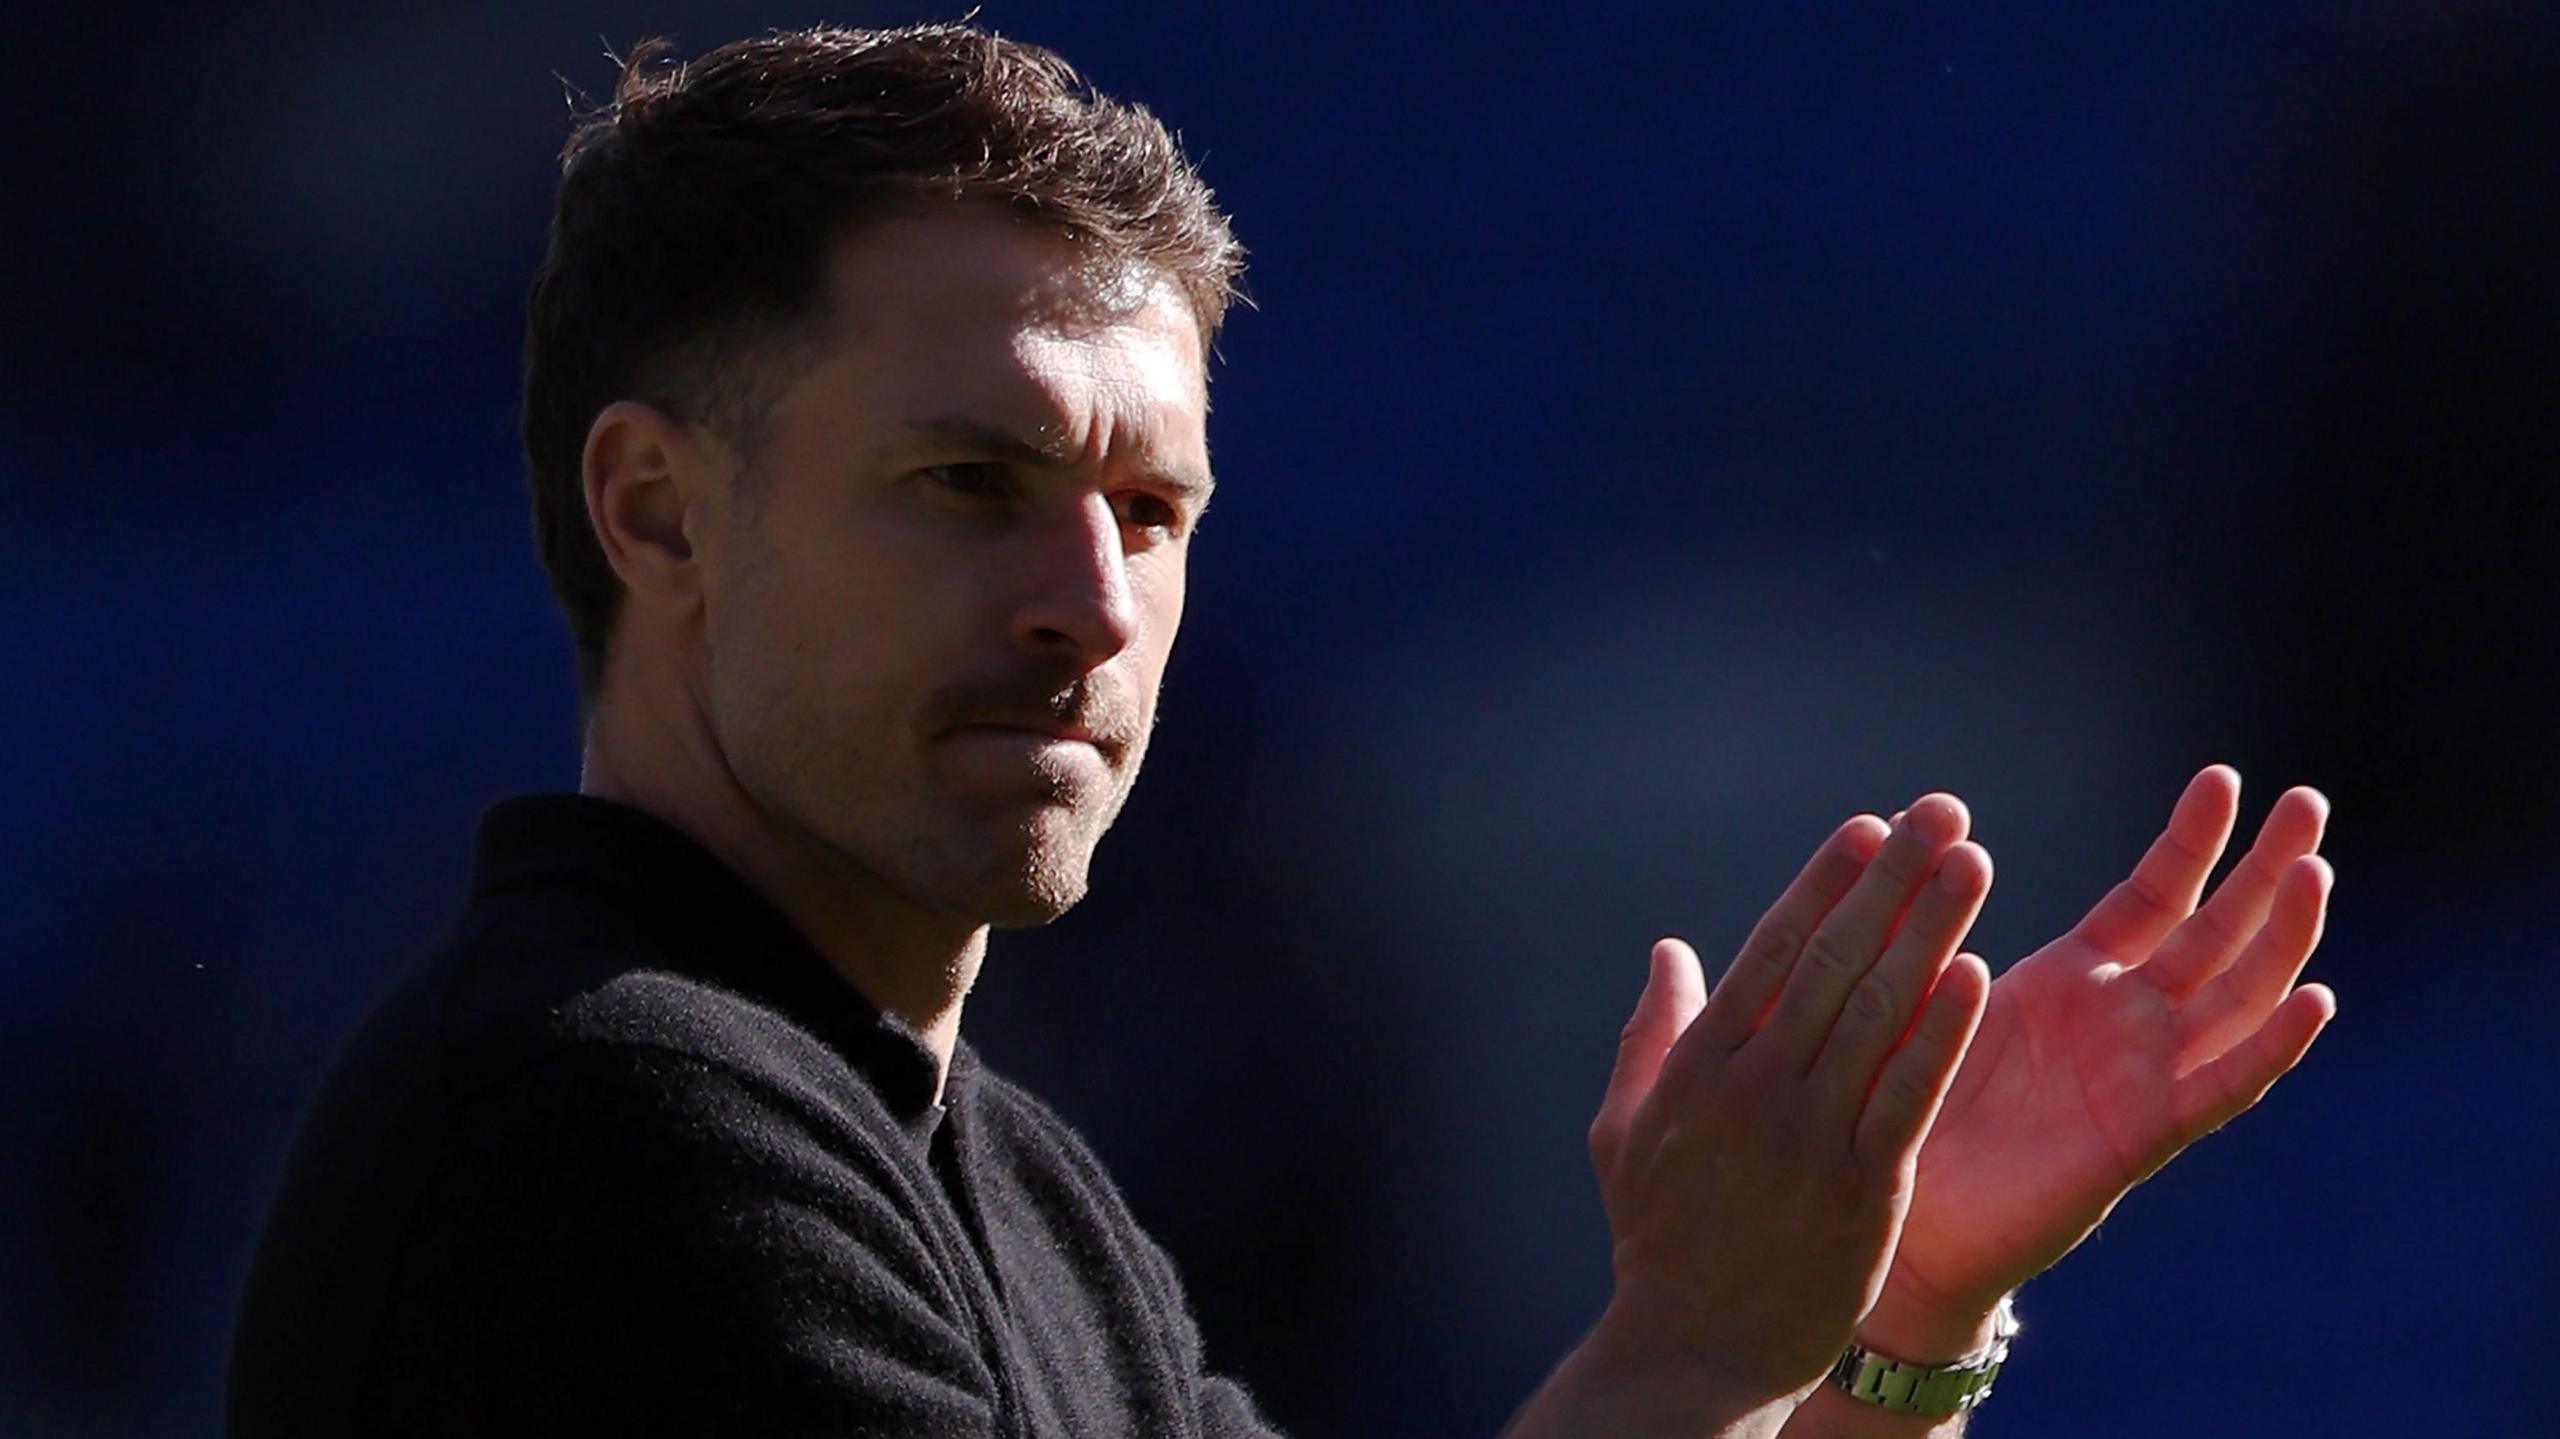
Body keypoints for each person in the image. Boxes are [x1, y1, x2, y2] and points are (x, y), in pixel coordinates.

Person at [225, 22, 2337, 1438]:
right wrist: (1695, 1344)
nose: (1090, 604)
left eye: (1152, 514)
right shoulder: (604, 1120)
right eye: (966, 482)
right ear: (658, 514)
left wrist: (1881, 1326)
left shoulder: (1013, 1189)